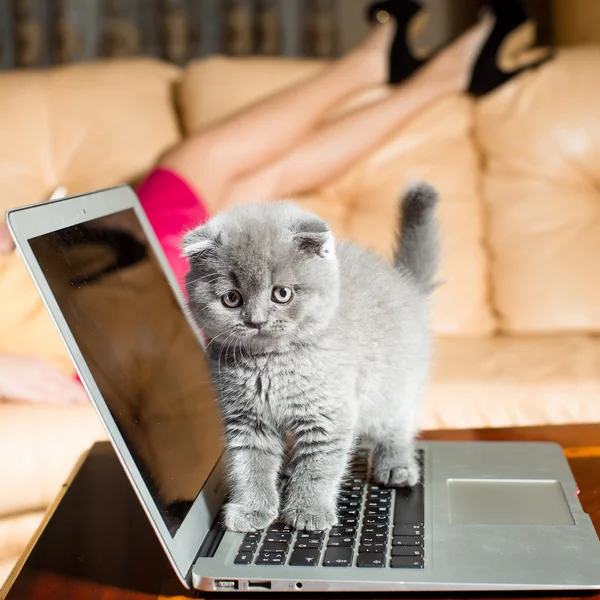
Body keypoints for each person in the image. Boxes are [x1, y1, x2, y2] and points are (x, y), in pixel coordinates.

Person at [0, 0, 550, 406]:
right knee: (199, 159)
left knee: (261, 179)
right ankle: (387, 69)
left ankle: (431, 78)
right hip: (107, 324)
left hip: (102, 301)